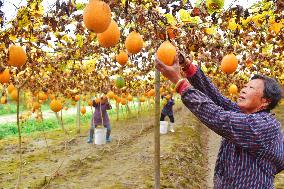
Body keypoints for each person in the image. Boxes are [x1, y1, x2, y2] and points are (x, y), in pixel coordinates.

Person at [155, 54, 284, 188]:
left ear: (265, 101)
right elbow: (215, 98)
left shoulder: (264, 125)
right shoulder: (243, 113)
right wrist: (187, 66)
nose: (244, 89)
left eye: (251, 88)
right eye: (245, 86)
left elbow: (219, 118)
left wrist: (180, 83)